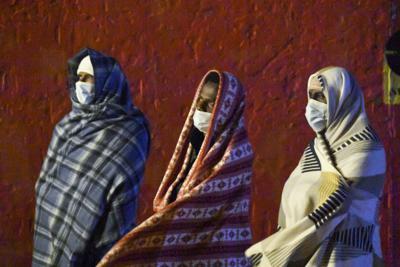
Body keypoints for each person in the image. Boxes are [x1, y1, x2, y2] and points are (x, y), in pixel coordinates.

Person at [97, 70, 254, 266]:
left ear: (228, 108)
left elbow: (200, 203)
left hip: (218, 255)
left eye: (210, 105)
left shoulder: (236, 154)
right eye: (199, 103)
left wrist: (139, 239)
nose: (200, 111)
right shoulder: (195, 145)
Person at [245, 66, 386, 266]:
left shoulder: (366, 148)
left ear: (342, 98)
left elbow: (334, 203)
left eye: (321, 96)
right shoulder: (317, 146)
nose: (313, 104)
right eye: (310, 96)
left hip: (349, 253)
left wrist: (270, 254)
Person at [32, 48, 150, 266]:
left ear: (108, 82)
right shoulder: (66, 128)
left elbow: (121, 199)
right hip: (50, 240)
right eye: (79, 78)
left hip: (99, 249)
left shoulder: (130, 132)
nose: (81, 84)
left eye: (89, 78)